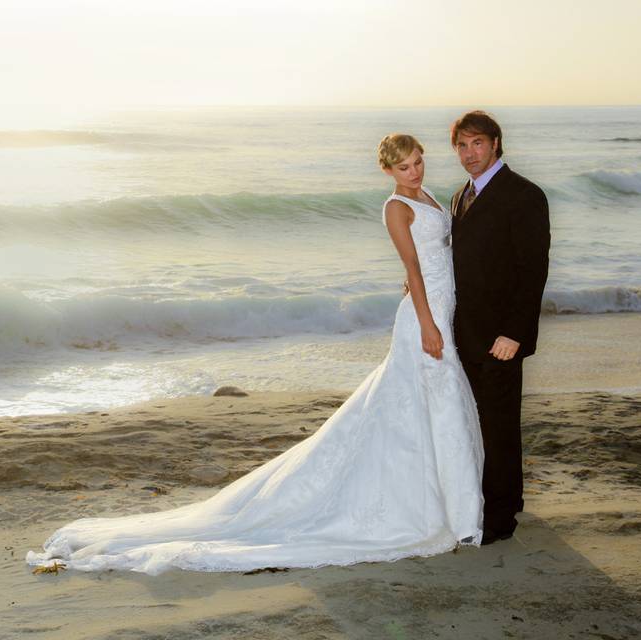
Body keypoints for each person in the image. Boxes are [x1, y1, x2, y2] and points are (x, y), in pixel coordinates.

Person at [26, 134, 484, 575]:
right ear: (387, 170)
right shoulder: (397, 207)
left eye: (418, 162)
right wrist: (425, 321)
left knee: (428, 403)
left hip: (441, 304)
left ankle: (446, 504)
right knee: (417, 397)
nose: (413, 171)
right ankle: (432, 510)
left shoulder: (428, 198)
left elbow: (434, 256)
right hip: (425, 317)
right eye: (403, 167)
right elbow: (412, 268)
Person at [449, 111, 550, 545]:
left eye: (477, 144)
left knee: (500, 425)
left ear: (495, 143)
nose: (469, 154)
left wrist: (515, 333)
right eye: (461, 145)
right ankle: (500, 500)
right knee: (474, 421)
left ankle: (501, 519)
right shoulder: (460, 196)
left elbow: (533, 271)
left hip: (500, 337)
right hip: (464, 332)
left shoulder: (524, 195)